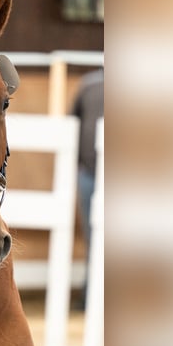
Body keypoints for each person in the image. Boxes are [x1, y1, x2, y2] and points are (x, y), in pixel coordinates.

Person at [71, 68, 103, 309]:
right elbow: (71, 122)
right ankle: (89, 296)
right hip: (89, 173)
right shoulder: (89, 85)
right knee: (94, 236)